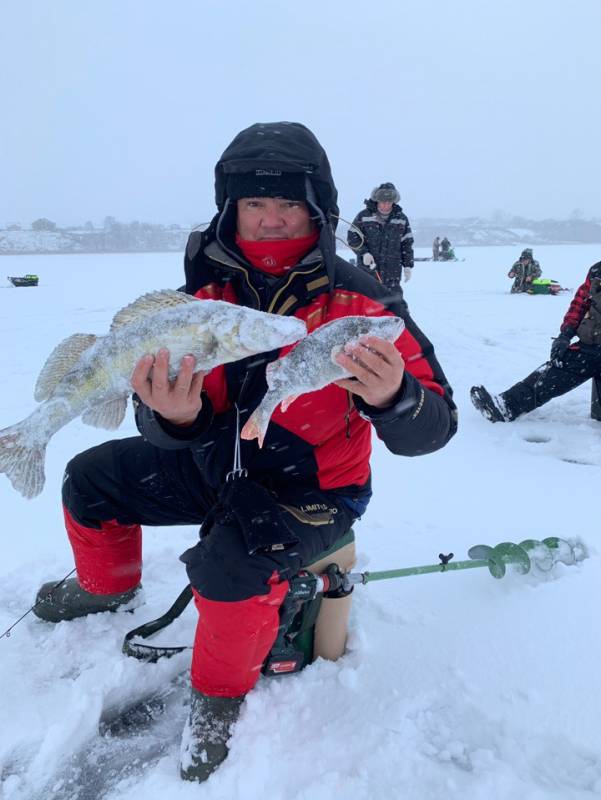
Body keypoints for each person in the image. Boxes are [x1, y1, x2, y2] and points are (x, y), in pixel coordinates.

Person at [32, 122, 457, 782]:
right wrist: (173, 417)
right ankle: (103, 586)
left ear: (317, 212)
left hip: (310, 492)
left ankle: (218, 699)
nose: (269, 219)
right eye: (253, 205)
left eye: (287, 204)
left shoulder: (361, 302)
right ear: (229, 211)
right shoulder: (202, 298)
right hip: (214, 467)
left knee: (228, 570)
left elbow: (433, 428)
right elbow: (163, 418)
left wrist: (395, 397)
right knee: (92, 477)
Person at [471, 260, 601, 422]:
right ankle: (506, 406)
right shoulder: (597, 270)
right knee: (554, 370)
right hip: (590, 345)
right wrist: (565, 335)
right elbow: (580, 304)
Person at [347, 182, 414, 294]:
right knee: (367, 305)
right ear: (376, 200)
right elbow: (352, 237)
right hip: (367, 271)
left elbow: (406, 244)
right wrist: (364, 253)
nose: (385, 205)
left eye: (389, 202)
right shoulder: (364, 216)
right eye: (382, 202)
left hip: (392, 273)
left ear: (394, 202)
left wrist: (407, 266)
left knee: (392, 306)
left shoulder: (401, 219)